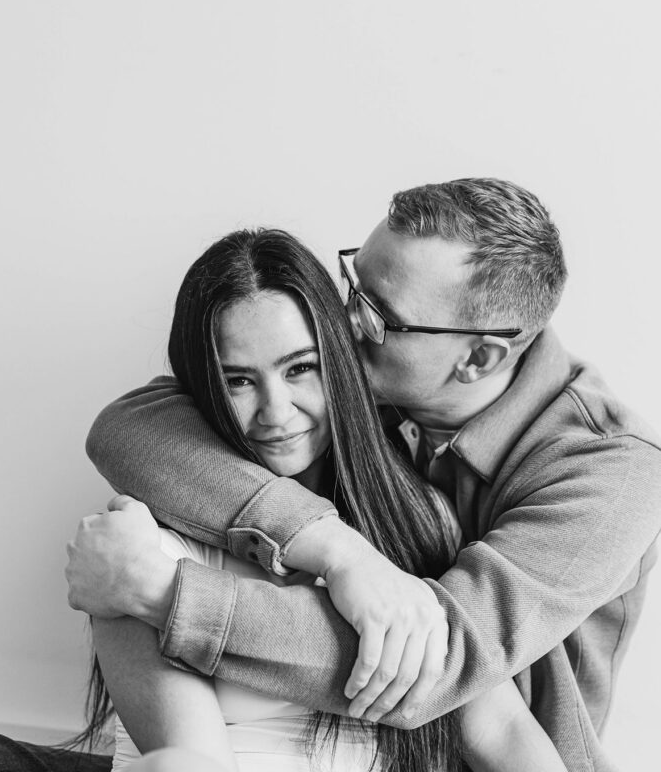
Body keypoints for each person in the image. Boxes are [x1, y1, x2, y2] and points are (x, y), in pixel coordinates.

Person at [63, 178, 661, 772]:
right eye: (354, 286)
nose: (345, 322)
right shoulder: (363, 382)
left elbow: (440, 665)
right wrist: (340, 551)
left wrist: (165, 595)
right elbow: (130, 427)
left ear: (477, 358)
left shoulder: (612, 472)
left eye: (379, 315)